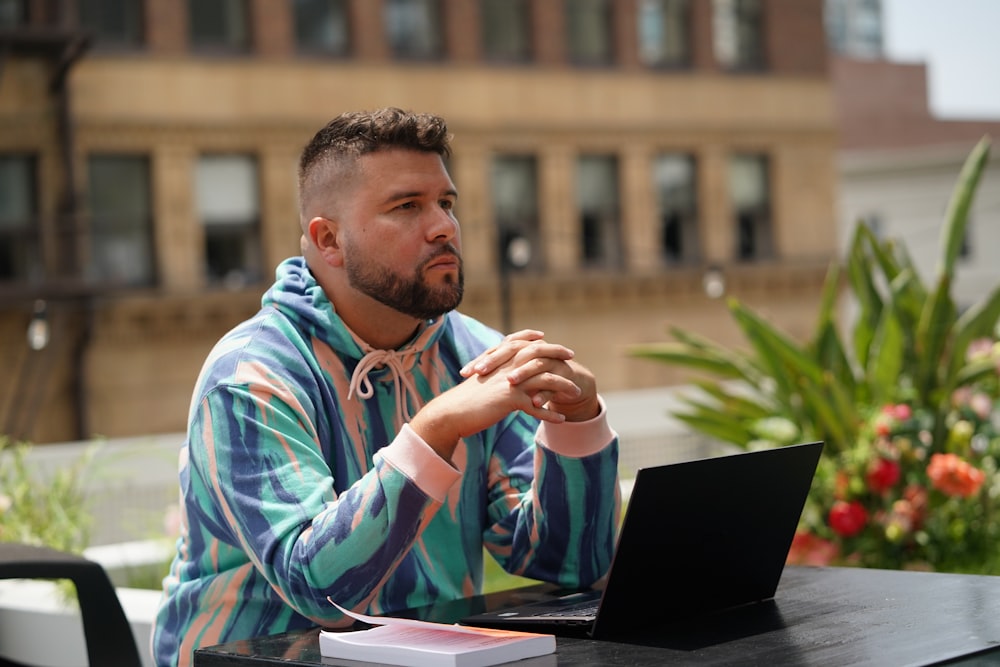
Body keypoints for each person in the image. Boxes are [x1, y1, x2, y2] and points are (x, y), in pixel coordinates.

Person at [152, 107, 621, 667]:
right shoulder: (248, 377)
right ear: (329, 240)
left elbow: (566, 567)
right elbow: (318, 590)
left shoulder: (478, 356)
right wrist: (435, 430)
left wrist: (578, 425)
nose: (444, 225)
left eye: (446, 203)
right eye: (406, 207)